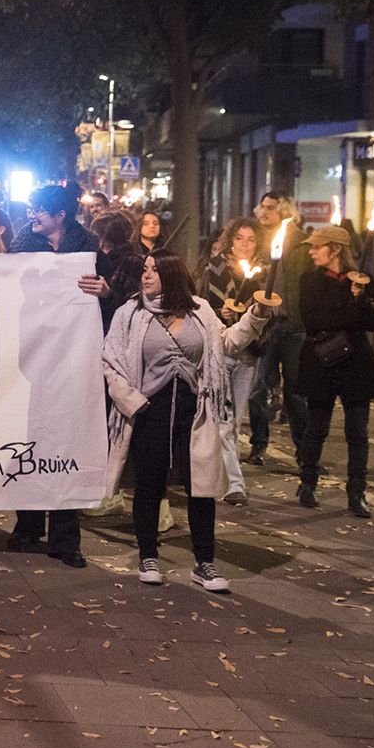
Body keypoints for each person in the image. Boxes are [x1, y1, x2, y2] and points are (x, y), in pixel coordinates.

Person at [103, 250, 271, 593]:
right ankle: (148, 555)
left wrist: (255, 316)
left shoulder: (200, 310)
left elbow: (226, 343)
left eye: (155, 270)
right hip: (149, 410)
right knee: (149, 486)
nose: (146, 275)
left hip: (195, 411)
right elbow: (110, 361)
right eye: (145, 269)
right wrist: (132, 402)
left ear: (172, 274)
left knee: (201, 488)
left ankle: (204, 562)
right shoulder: (129, 313)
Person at [7, 183, 99, 567]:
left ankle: (66, 539)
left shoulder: (88, 244)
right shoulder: (22, 243)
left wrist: (104, 289)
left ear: (60, 216)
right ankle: (28, 526)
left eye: (39, 210)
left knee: (68, 445)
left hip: (73, 358)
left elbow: (111, 292)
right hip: (32, 356)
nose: (32, 216)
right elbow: (6, 287)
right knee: (31, 439)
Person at [294, 225, 374, 516]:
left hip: (355, 363)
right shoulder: (310, 280)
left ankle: (357, 491)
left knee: (357, 432)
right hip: (322, 359)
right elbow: (314, 319)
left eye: (317, 246)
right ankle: (307, 482)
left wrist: (360, 298)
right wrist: (352, 310)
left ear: (335, 250)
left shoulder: (363, 281)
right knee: (316, 426)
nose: (311, 251)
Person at [199, 218, 266, 478]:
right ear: (230, 241)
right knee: (222, 416)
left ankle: (226, 470)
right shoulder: (215, 268)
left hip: (249, 352)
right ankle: (228, 478)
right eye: (239, 238)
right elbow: (201, 305)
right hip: (222, 350)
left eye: (251, 240)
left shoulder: (262, 274)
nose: (244, 245)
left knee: (236, 417)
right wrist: (220, 312)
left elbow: (270, 311)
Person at [249, 192, 311, 456]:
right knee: (257, 389)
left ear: (284, 211)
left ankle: (304, 452)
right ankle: (258, 444)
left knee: (295, 393)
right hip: (265, 326)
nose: (264, 212)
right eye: (262, 206)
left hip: (293, 325)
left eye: (270, 208)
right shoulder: (257, 240)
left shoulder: (301, 243)